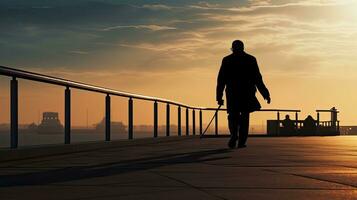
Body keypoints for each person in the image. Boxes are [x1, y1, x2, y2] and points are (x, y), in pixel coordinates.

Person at [216, 40, 271, 149]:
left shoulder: (227, 60)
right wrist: (265, 94)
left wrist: (219, 96)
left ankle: (234, 135)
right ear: (243, 47)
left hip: (232, 93)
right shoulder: (250, 59)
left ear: (232, 48)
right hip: (247, 92)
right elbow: (258, 79)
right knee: (245, 117)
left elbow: (221, 79)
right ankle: (241, 141)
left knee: (232, 116)